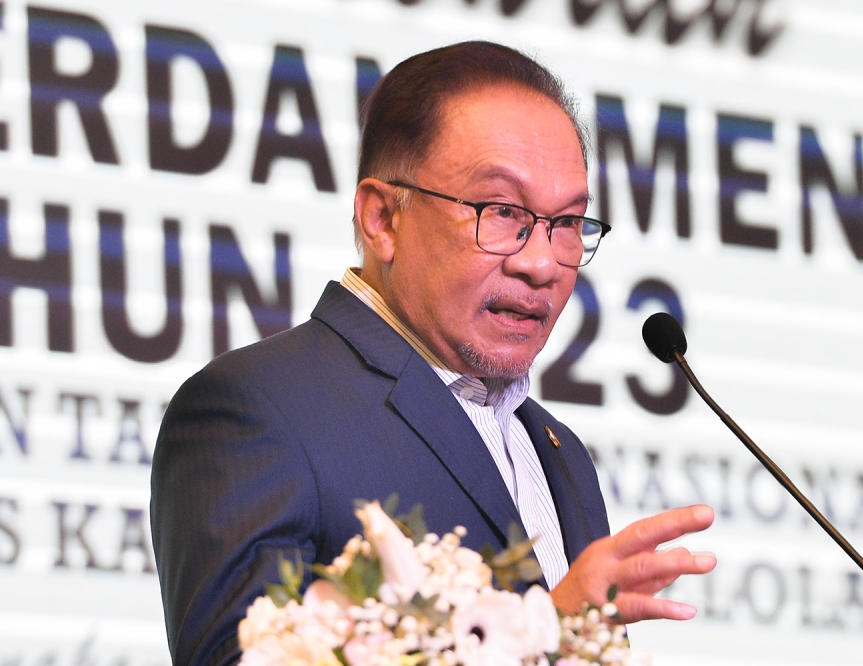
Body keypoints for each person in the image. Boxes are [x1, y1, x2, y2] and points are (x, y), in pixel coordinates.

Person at [150, 41, 716, 666]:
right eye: (501, 211)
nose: (541, 264)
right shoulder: (258, 411)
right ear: (382, 219)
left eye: (565, 223)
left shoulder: (561, 455)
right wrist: (545, 633)